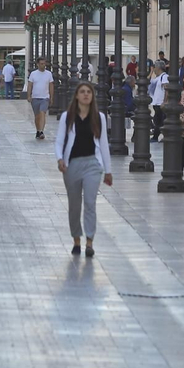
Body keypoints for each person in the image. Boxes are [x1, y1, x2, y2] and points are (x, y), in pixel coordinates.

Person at [54, 82, 112, 258]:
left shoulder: (99, 117)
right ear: (77, 96)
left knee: (89, 202)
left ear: (92, 96)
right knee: (74, 205)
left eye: (89, 92)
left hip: (93, 165)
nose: (86, 95)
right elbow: (58, 141)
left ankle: (90, 241)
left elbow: (103, 145)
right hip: (72, 165)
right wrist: (59, 159)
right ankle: (76, 239)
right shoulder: (67, 116)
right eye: (82, 92)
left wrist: (108, 170)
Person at [26, 58, 55, 139]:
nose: (43, 65)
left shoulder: (48, 74)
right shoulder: (33, 74)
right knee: (37, 116)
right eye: (41, 63)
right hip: (35, 97)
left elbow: (51, 86)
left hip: (45, 97)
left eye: (44, 63)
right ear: (37, 64)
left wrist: (51, 97)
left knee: (42, 113)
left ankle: (41, 131)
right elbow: (30, 85)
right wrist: (29, 95)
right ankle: (38, 130)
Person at [148, 62, 169, 142]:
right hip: (156, 102)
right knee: (158, 120)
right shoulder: (157, 77)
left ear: (159, 68)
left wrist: (164, 101)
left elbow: (166, 89)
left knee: (159, 121)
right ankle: (158, 136)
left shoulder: (164, 77)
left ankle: (156, 137)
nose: (154, 70)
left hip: (160, 103)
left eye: (155, 68)